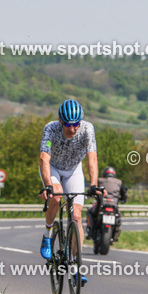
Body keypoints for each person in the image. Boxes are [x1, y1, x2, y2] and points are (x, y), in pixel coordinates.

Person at [39, 99, 103, 284]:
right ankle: (48, 235)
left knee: (76, 217)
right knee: (56, 195)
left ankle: (74, 265)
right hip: (53, 168)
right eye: (68, 124)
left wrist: (93, 184)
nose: (72, 129)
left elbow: (92, 158)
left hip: (74, 170)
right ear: (60, 121)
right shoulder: (50, 129)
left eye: (76, 124)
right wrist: (48, 185)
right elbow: (44, 158)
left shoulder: (87, 129)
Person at [87, 166, 128, 242]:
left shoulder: (99, 180)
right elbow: (124, 194)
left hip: (101, 205)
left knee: (90, 212)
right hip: (114, 206)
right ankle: (116, 236)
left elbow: (92, 190)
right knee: (119, 218)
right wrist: (123, 200)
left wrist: (89, 194)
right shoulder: (119, 182)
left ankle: (91, 232)